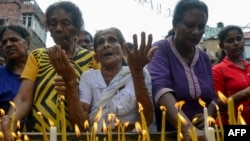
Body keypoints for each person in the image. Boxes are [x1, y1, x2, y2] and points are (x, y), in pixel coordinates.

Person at [1, 1, 100, 140]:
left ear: (77, 27)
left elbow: (99, 101)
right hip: (39, 135)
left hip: (79, 135)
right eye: (53, 24)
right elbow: (23, 98)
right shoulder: (38, 56)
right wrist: (11, 119)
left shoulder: (93, 59)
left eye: (65, 23)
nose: (58, 28)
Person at [147, 0, 216, 140]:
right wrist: (187, 128)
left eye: (201, 27)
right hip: (169, 134)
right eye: (190, 25)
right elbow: (160, 88)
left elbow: (212, 95)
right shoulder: (161, 50)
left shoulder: (204, 58)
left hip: (203, 134)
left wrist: (208, 112)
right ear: (175, 24)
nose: (196, 32)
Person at [79, 27, 155, 131]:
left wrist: (137, 73)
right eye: (101, 42)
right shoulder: (88, 77)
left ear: (124, 51)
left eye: (112, 40)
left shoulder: (140, 73)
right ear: (96, 56)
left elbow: (147, 118)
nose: (106, 44)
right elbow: (82, 120)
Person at [212, 25, 250, 125]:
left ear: (244, 41)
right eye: (230, 41)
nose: (236, 43)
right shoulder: (218, 70)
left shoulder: (249, 66)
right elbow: (216, 104)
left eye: (239, 39)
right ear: (221, 46)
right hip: (231, 124)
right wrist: (245, 93)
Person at [0, 25, 30, 113]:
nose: (8, 45)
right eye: (4, 43)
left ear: (27, 43)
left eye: (14, 40)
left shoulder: (42, 73)